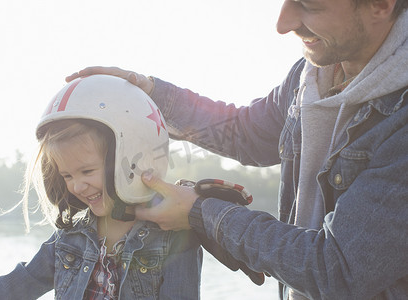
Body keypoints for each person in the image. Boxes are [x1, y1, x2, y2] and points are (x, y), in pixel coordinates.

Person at [65, 0, 408, 299]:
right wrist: (152, 95)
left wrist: (201, 213)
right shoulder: (311, 75)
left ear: (381, 4)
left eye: (309, 4)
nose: (282, 23)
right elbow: (247, 134)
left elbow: (336, 270)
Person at [0, 75, 202, 299]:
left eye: (87, 171)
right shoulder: (69, 237)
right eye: (66, 175)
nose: (77, 186)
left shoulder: (174, 237)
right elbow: (18, 285)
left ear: (135, 159)